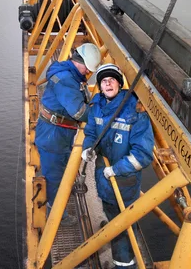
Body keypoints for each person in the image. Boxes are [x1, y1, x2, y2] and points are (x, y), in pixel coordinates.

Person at [81, 63, 154, 268]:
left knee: (122, 227)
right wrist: (88, 148)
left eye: (112, 79)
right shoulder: (96, 106)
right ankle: (112, 226)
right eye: (104, 80)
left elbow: (143, 155)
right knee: (112, 213)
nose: (108, 82)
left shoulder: (135, 110)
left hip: (123, 183)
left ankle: (124, 264)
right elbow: (91, 133)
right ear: (100, 86)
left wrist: (115, 170)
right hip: (104, 179)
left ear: (120, 84)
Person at [35, 43, 101, 223]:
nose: (88, 74)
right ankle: (56, 214)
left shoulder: (68, 72)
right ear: (79, 62)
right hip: (54, 134)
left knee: (58, 165)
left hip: (58, 131)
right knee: (55, 174)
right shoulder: (65, 80)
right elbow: (78, 112)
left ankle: (52, 181)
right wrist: (101, 114)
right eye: (87, 70)